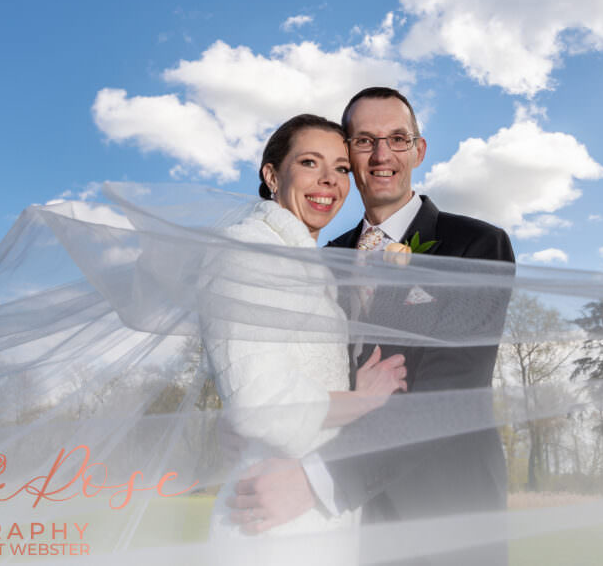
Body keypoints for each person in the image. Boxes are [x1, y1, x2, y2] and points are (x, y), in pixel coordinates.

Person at [231, 87, 515, 565]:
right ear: (349, 154)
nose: (382, 155)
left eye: (397, 139)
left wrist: (319, 481)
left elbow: (449, 389)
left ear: (418, 151)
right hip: (337, 530)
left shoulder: (476, 244)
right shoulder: (323, 261)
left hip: (443, 516)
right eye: (364, 141)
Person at [202, 113, 407, 564]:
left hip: (316, 521)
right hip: (270, 519)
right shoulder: (247, 252)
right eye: (311, 163)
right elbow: (260, 404)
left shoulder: (307, 264)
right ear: (272, 174)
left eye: (341, 169)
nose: (329, 182)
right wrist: (363, 400)